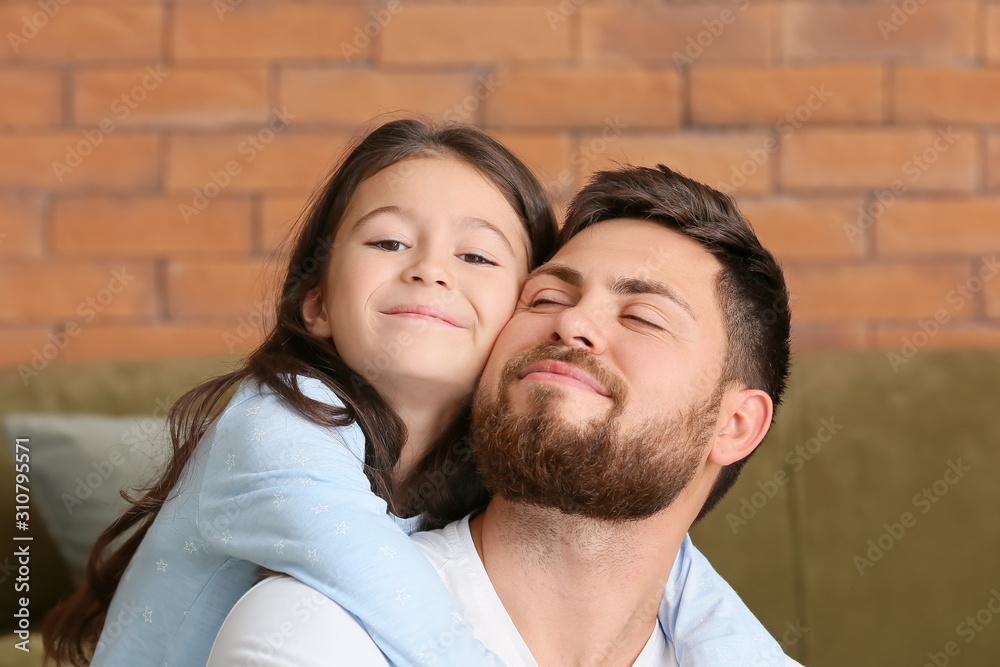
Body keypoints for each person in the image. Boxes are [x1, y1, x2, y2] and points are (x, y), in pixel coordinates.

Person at [207, 164, 800, 666]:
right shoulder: (319, 629)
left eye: (642, 317)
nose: (571, 323)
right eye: (545, 299)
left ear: (735, 425)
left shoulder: (718, 635)